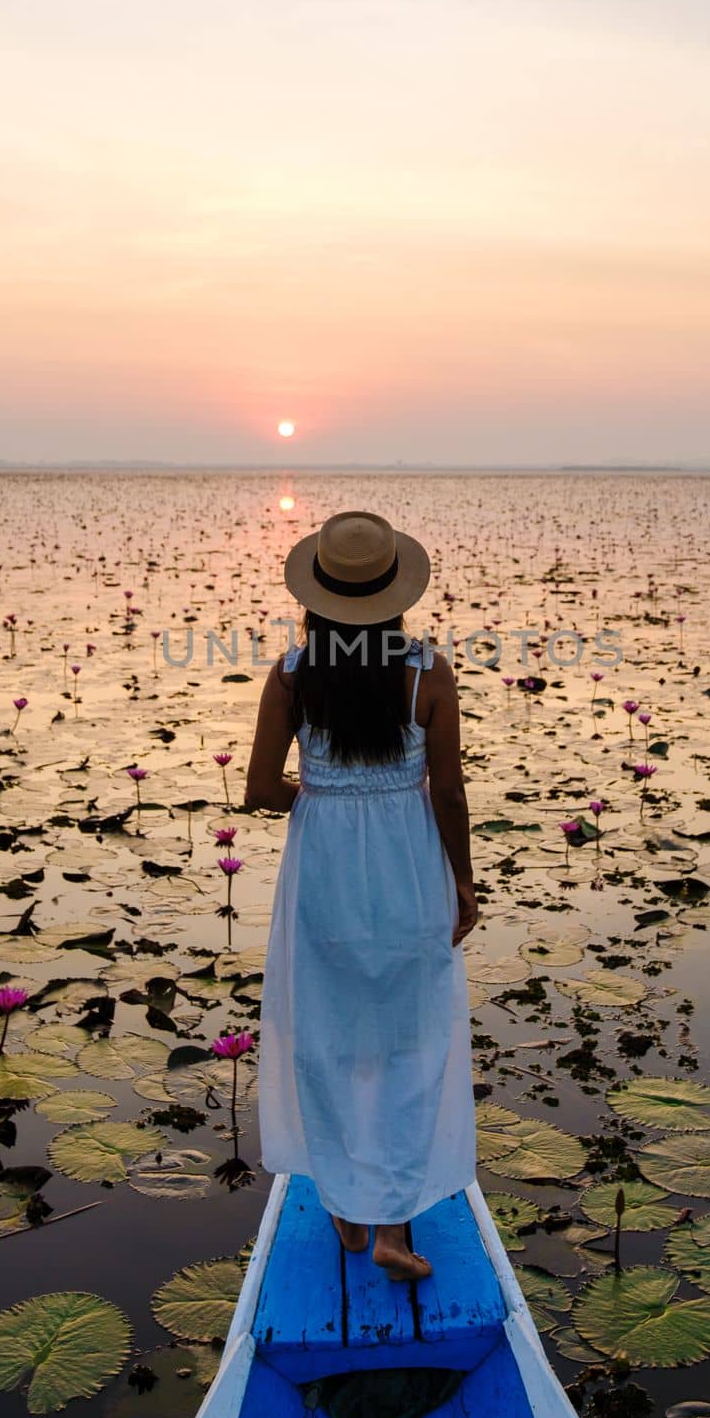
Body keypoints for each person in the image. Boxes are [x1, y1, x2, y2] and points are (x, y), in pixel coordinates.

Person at [244, 510, 479, 1282]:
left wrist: (321, 799)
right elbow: (447, 793)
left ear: (316, 598)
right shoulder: (429, 671)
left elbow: (257, 790)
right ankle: (393, 1229)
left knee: (329, 1034)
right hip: (410, 865)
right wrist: (465, 881)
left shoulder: (291, 675)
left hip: (323, 870)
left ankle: (345, 1210)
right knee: (410, 1041)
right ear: (396, 593)